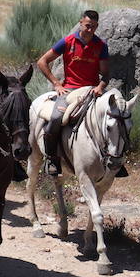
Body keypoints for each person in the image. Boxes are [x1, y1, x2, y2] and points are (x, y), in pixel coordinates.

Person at [34, 10, 109, 176]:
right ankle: (52, 159)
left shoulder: (101, 46)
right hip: (70, 90)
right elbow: (42, 61)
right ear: (80, 22)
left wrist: (101, 87)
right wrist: (56, 83)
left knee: (116, 116)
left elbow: (106, 73)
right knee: (55, 118)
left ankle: (114, 159)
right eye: (88, 26)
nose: (90, 30)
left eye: (94, 27)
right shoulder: (68, 42)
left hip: (92, 91)